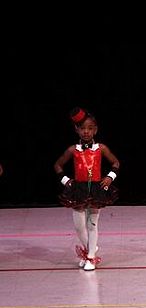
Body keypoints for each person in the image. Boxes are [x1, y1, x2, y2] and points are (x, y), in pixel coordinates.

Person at [54, 107, 120, 271]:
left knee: (92, 225)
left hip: (97, 189)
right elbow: (57, 165)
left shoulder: (101, 148)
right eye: (83, 128)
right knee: (78, 226)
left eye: (90, 128)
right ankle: (91, 248)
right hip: (79, 190)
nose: (86, 132)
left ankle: (90, 257)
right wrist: (66, 180)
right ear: (76, 129)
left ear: (95, 130)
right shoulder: (73, 150)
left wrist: (110, 177)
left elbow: (116, 163)